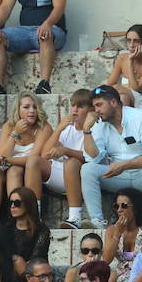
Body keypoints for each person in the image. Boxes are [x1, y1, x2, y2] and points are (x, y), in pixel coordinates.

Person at [82, 84, 142, 228]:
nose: (96, 111)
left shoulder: (141, 116)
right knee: (87, 169)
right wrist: (86, 131)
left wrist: (124, 165)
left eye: (99, 105)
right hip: (119, 176)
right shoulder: (100, 124)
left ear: (114, 102)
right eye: (94, 107)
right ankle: (97, 222)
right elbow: (93, 158)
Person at [41, 88, 91, 228]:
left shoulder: (95, 128)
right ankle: (35, 214)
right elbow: (44, 155)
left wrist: (65, 150)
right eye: (73, 105)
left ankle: (75, 217)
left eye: (80, 106)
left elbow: (90, 158)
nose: (74, 110)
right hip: (63, 174)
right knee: (34, 162)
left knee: (72, 162)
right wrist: (58, 129)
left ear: (90, 110)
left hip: (83, 177)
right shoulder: (67, 128)